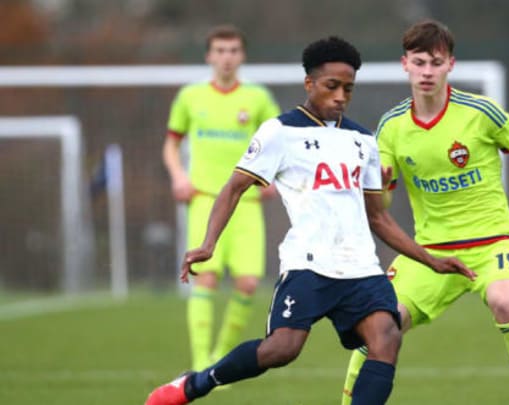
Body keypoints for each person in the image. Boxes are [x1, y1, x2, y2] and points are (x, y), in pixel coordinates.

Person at [145, 36, 476, 405]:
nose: (340, 96)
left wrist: (430, 260)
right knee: (282, 349)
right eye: (332, 86)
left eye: (348, 89)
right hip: (309, 264)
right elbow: (233, 188)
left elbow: (377, 217)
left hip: (361, 268)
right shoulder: (280, 132)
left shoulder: (362, 140)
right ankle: (196, 384)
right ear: (310, 84)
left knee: (387, 338)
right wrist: (208, 244)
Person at [340, 20, 509, 405]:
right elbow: (383, 205)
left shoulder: (479, 112)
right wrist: (384, 183)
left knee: (505, 302)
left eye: (435, 63)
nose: (427, 72)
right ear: (404, 63)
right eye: (420, 62)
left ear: (450, 66)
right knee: (377, 327)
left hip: (492, 241)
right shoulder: (391, 127)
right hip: (430, 251)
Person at [162, 25, 281, 372]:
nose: (226, 57)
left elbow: (277, 141)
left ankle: (221, 356)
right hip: (204, 200)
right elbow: (171, 143)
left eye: (232, 51)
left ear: (241, 56)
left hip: (245, 204)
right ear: (209, 56)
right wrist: (178, 176)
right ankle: (200, 360)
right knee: (207, 278)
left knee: (246, 283)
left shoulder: (258, 98)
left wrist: (270, 178)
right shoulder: (190, 97)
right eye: (220, 50)